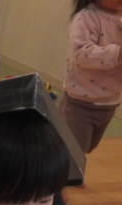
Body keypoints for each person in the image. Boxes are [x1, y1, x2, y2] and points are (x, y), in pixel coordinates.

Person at [59, 0, 122, 156]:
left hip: (110, 102)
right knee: (73, 153)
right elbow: (81, 54)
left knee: (87, 147)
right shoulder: (86, 18)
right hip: (80, 103)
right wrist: (117, 54)